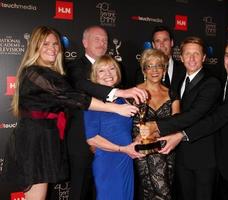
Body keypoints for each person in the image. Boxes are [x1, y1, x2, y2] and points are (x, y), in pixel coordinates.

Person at [1, 26, 139, 200]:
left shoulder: (53, 73)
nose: (52, 48)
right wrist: (117, 104)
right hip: (34, 141)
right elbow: (73, 96)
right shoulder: (35, 73)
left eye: (55, 44)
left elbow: (74, 93)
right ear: (35, 46)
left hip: (46, 139)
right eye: (45, 44)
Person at [146, 38, 228, 200]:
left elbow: (213, 118)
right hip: (218, 160)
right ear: (181, 57)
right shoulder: (222, 80)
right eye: (227, 55)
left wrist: (166, 129)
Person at [65, 25, 147, 200]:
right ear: (84, 42)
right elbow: (83, 87)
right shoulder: (73, 68)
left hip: (119, 155)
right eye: (97, 39)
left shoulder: (118, 81)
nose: (102, 43)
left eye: (105, 40)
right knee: (80, 192)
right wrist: (118, 94)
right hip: (82, 143)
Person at [141, 36, 222, 200]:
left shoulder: (211, 83)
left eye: (196, 54)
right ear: (181, 57)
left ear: (204, 57)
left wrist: (156, 125)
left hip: (203, 158)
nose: (192, 58)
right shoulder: (178, 83)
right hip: (180, 156)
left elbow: (194, 115)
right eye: (188, 54)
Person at [84, 55, 144, 200]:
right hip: (108, 161)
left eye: (111, 69)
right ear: (94, 76)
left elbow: (126, 130)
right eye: (101, 71)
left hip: (126, 160)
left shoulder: (123, 99)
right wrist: (122, 149)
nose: (108, 74)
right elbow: (91, 139)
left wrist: (138, 139)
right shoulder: (93, 101)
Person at [133, 48, 180, 200]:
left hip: (167, 150)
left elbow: (176, 124)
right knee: (160, 193)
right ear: (144, 70)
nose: (154, 70)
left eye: (158, 65)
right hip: (144, 151)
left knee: (155, 194)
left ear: (164, 69)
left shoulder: (172, 94)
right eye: (149, 66)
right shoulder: (133, 93)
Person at [136, 25, 185, 94]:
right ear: (153, 45)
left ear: (171, 43)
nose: (162, 44)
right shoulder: (142, 72)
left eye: (165, 40)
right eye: (158, 41)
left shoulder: (184, 69)